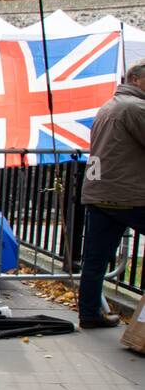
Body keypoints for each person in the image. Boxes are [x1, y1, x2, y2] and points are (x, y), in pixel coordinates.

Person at [78, 59, 145, 329]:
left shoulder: (110, 106)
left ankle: (90, 314)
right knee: (95, 259)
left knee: (95, 259)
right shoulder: (135, 107)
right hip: (127, 195)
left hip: (101, 192)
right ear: (137, 80)